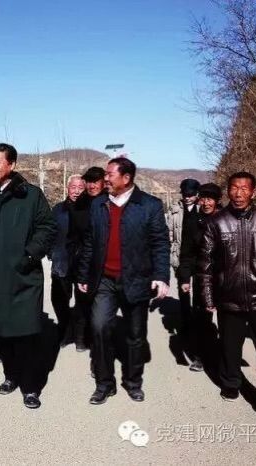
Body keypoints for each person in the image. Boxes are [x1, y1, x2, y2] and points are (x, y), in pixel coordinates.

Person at [0, 143, 56, 409]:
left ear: (11, 165)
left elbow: (47, 228)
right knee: (0, 333)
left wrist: (30, 255)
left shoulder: (31, 195)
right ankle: (10, 376)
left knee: (25, 334)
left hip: (23, 278)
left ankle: (31, 386)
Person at [198, 172, 256, 428]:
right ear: (228, 190)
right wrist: (208, 296)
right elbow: (205, 265)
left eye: (244, 189)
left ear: (254, 192)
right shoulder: (216, 222)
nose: (238, 193)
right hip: (229, 298)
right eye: (234, 188)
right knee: (230, 347)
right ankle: (231, 382)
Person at [77, 157, 170, 405]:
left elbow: (160, 243)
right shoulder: (98, 204)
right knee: (99, 328)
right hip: (104, 280)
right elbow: (90, 243)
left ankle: (133, 382)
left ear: (126, 178)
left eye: (110, 174)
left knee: (135, 335)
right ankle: (104, 384)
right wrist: (84, 275)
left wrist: (161, 276)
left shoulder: (149, 205)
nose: (105, 179)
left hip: (136, 280)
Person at [177, 182, 222, 372]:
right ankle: (200, 357)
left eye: (210, 199)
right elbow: (186, 252)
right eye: (203, 199)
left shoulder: (226, 219)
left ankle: (225, 357)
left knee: (227, 320)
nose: (206, 203)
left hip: (224, 277)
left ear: (217, 201)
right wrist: (185, 278)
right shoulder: (193, 221)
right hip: (201, 276)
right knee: (202, 318)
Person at [67, 166, 107, 353]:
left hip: (104, 262)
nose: (91, 185)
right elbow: (72, 235)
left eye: (95, 181)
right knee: (82, 303)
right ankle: (81, 338)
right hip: (82, 261)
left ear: (103, 182)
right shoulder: (79, 204)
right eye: (89, 181)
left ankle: (98, 340)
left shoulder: (109, 202)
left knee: (101, 304)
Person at [49, 175, 86, 348]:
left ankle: (80, 335)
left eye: (80, 188)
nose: (77, 191)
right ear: (67, 188)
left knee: (83, 302)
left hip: (83, 265)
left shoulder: (90, 209)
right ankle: (65, 331)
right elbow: (49, 232)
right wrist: (51, 253)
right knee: (59, 300)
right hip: (61, 262)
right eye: (73, 187)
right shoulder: (58, 210)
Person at [168, 178, 201, 346]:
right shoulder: (175, 210)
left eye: (191, 194)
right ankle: (186, 322)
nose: (187, 198)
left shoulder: (204, 208)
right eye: (185, 194)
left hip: (200, 257)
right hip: (182, 256)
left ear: (197, 194)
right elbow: (169, 232)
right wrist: (171, 250)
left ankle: (199, 321)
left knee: (200, 291)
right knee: (183, 290)